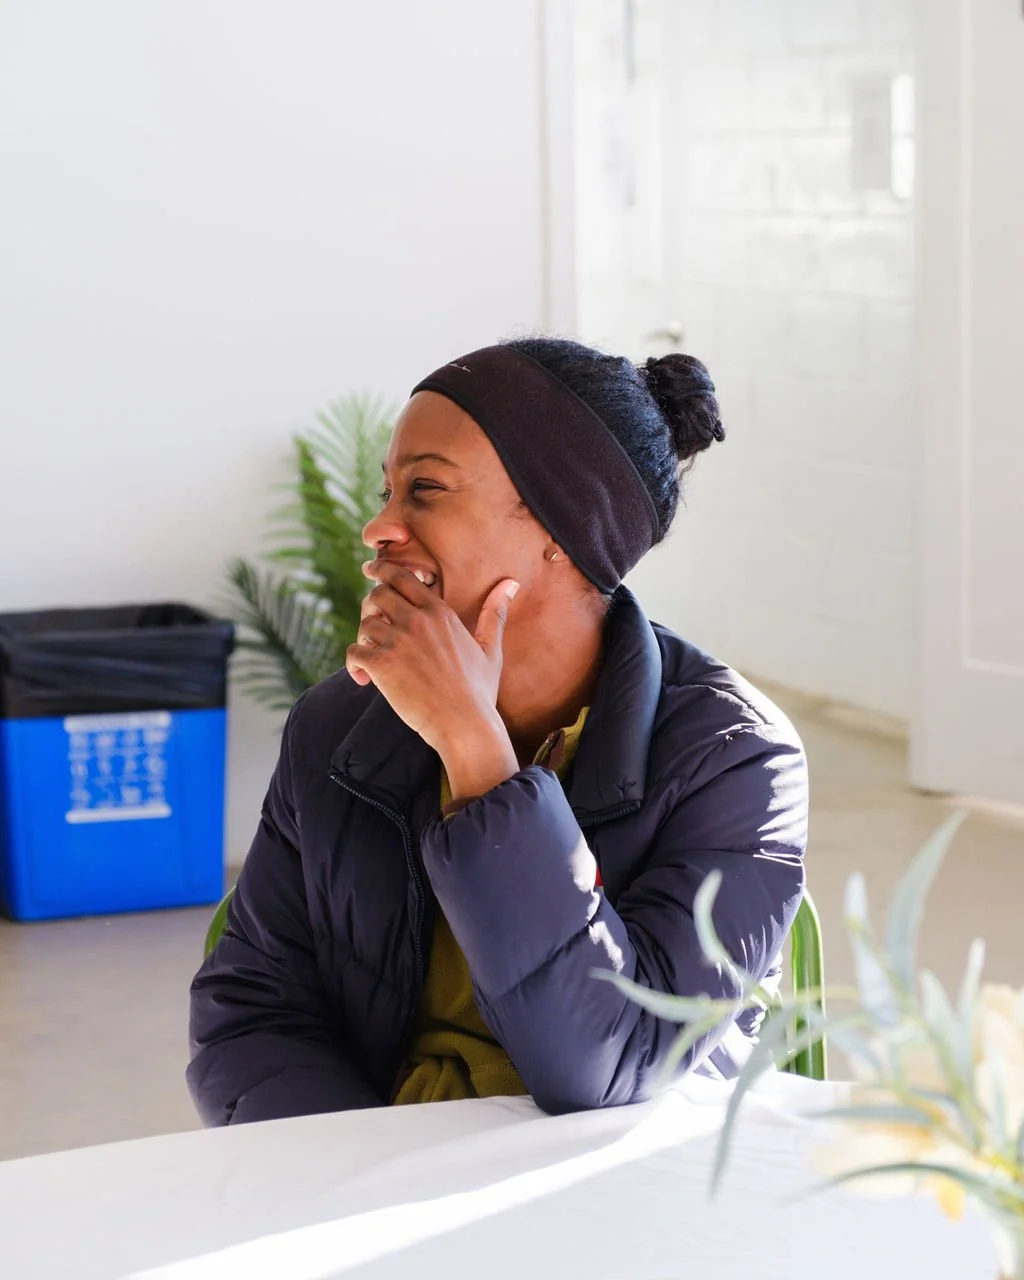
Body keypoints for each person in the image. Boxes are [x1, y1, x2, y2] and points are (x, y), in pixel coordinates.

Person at [187, 337, 807, 1125]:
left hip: (614, 1197)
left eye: (425, 490)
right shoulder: (338, 727)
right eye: (388, 491)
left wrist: (478, 760)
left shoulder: (736, 760)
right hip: (377, 1188)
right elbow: (252, 1017)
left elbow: (612, 1066)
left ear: (560, 527)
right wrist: (364, 1185)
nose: (380, 528)